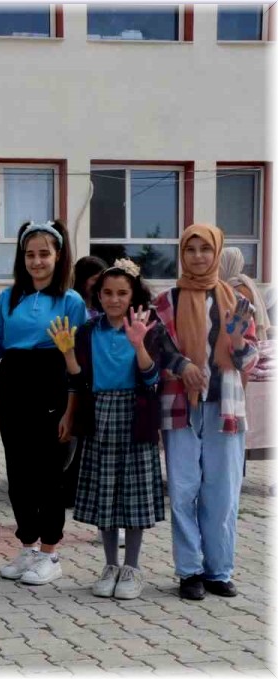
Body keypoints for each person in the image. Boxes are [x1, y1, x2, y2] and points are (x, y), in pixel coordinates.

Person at [0, 220, 85, 586]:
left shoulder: (71, 300)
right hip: (13, 382)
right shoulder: (7, 297)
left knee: (48, 472)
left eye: (44, 253)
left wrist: (71, 407)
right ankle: (27, 546)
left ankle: (50, 552)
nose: (36, 261)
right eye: (29, 254)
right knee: (19, 471)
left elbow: (77, 358)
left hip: (52, 381)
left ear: (58, 256)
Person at [49, 259, 166, 600]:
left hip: (135, 418)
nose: (114, 299)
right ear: (97, 295)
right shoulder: (87, 331)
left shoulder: (146, 325)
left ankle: (132, 567)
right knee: (105, 495)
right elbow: (79, 378)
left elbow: (152, 378)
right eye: (107, 293)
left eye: (122, 293)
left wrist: (139, 344)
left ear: (133, 296)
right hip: (99, 417)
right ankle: (110, 564)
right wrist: (68, 353)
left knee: (133, 498)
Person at [154, 224, 258, 601]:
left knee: (223, 491)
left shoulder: (236, 298)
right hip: (179, 404)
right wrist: (182, 366)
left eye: (205, 249)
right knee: (183, 489)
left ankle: (218, 570)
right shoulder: (167, 299)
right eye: (191, 249)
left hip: (225, 406)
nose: (198, 256)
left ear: (218, 252)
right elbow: (157, 342)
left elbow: (250, 359)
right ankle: (189, 571)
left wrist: (236, 340)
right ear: (182, 253)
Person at [64, 255, 108, 511]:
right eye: (94, 280)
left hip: (99, 378)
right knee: (75, 438)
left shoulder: (104, 308)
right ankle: (69, 491)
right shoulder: (76, 305)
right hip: (78, 375)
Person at [220, 246, 270, 341]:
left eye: (220, 264)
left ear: (227, 264)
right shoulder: (244, 282)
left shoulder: (235, 289)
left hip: (243, 341)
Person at [74, 256, 109, 321]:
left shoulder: (103, 308)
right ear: (82, 280)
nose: (101, 283)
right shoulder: (73, 308)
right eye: (96, 279)